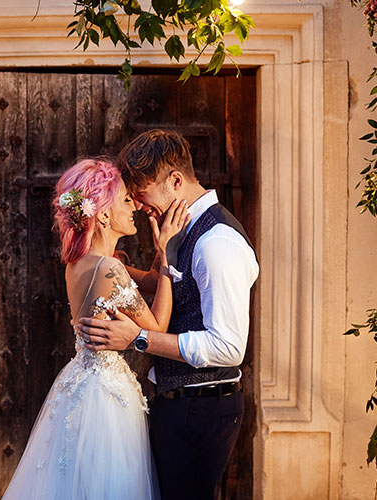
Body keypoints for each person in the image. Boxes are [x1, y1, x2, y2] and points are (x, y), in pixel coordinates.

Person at [77, 130, 260, 500]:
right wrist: (117, 269)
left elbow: (228, 347)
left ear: (175, 181)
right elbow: (169, 287)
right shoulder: (183, 233)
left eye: (142, 195)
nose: (140, 206)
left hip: (201, 408)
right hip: (181, 403)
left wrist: (138, 339)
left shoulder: (216, 243)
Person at [1, 157, 189, 500]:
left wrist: (159, 251)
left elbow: (149, 283)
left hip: (81, 382)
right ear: (102, 214)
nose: (134, 205)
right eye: (125, 200)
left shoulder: (85, 263)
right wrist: (167, 253)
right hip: (105, 394)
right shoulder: (109, 271)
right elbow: (158, 325)